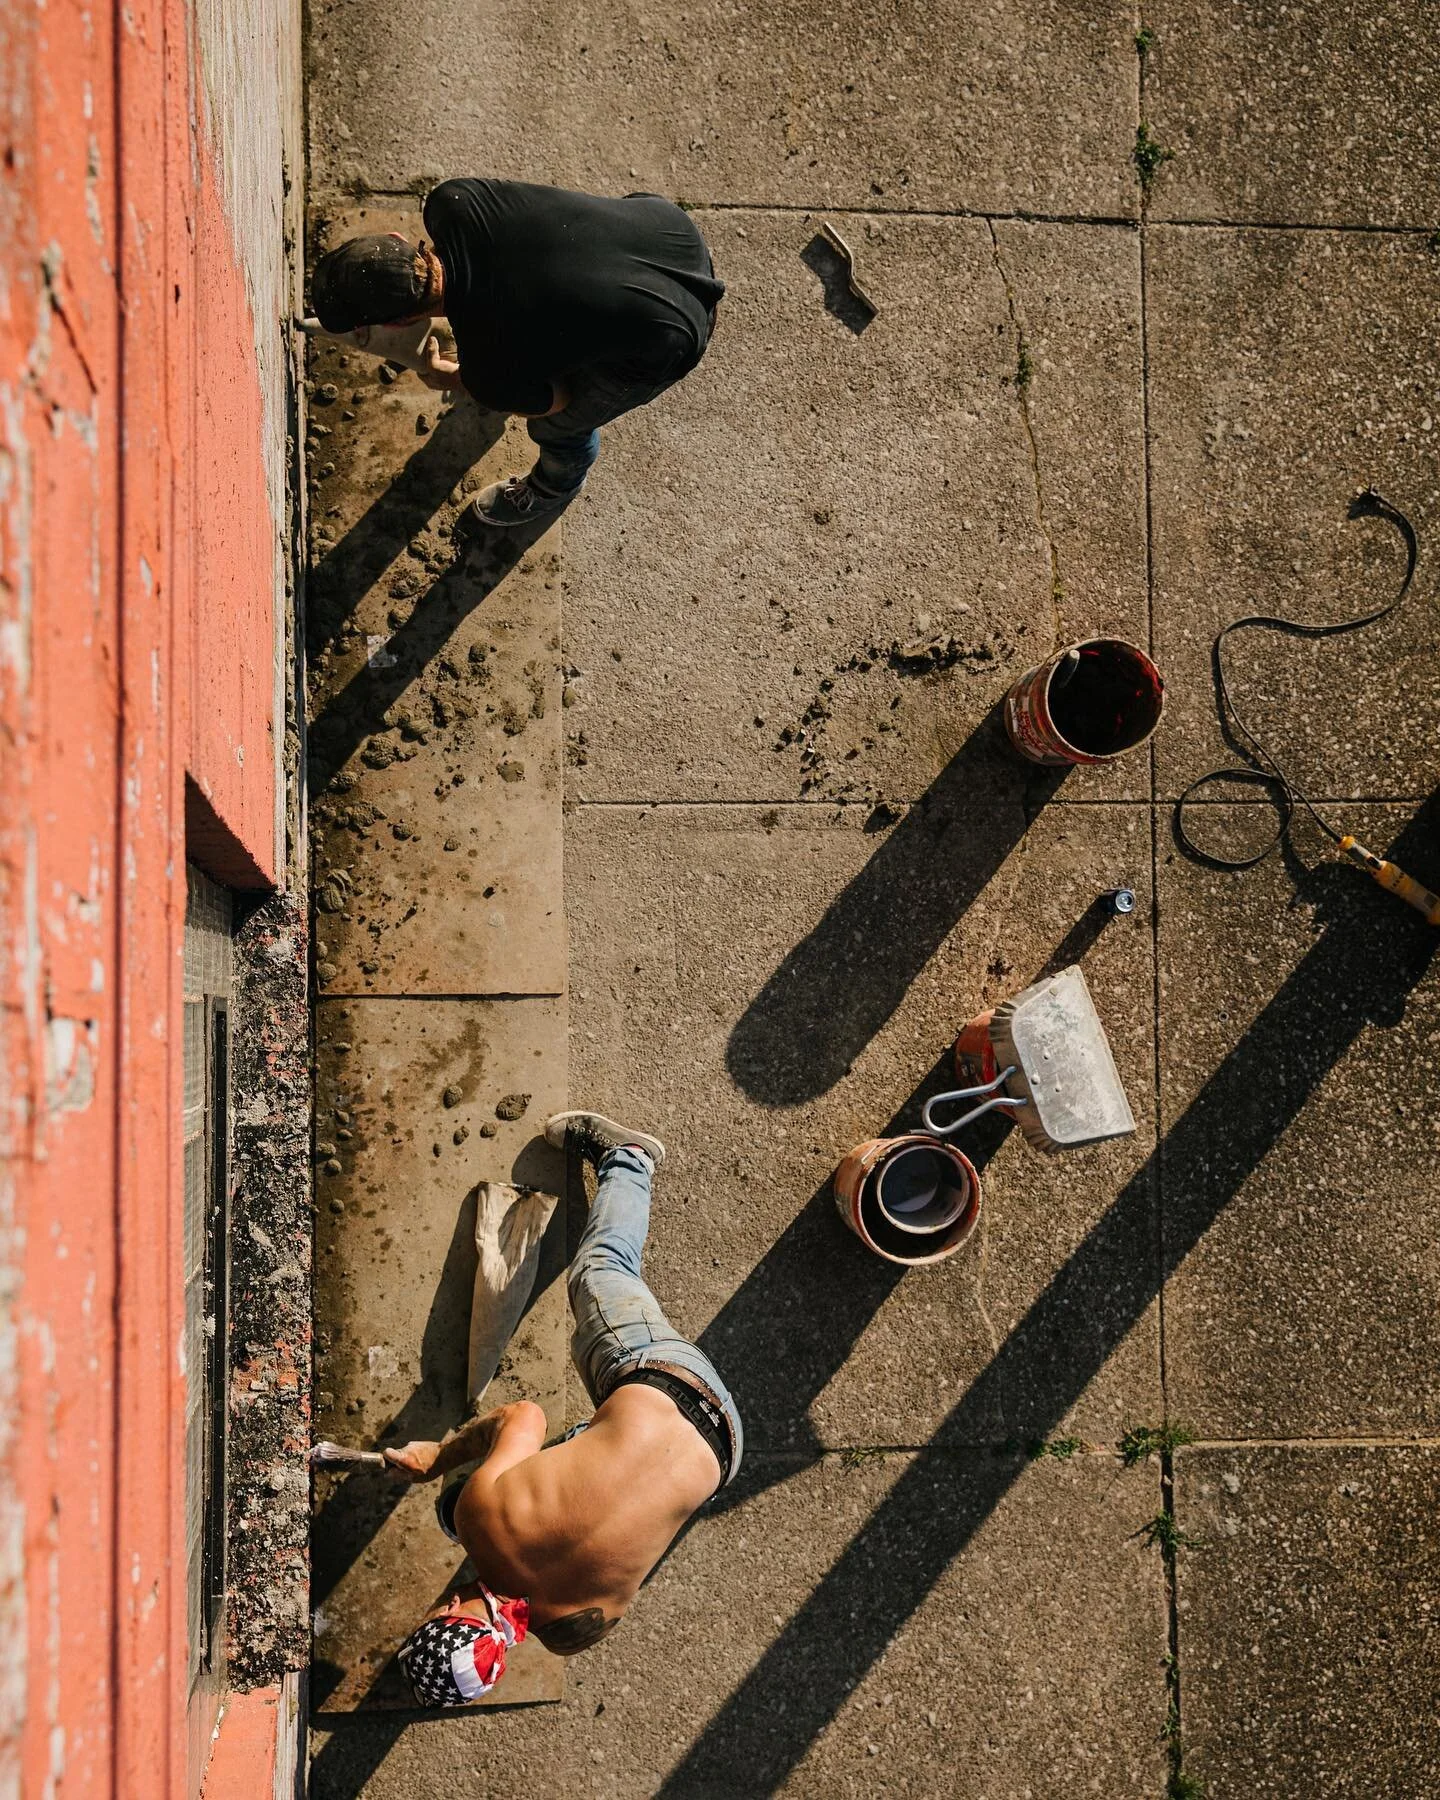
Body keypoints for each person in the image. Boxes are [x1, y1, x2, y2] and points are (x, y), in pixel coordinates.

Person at [383, 1109, 743, 1707]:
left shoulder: (571, 1634)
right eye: (437, 1615)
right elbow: (523, 1416)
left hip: (724, 1452)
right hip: (664, 1377)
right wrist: (440, 1460)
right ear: (445, 1612)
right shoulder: (479, 1517)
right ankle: (630, 1157)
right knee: (600, 1270)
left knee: (603, 1484)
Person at [310, 180, 723, 528]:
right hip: (672, 231)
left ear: (399, 324)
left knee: (558, 425)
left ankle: (554, 487)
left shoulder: (489, 370)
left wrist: (455, 378)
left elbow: (557, 399)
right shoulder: (454, 201)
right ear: (400, 239)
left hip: (673, 335)